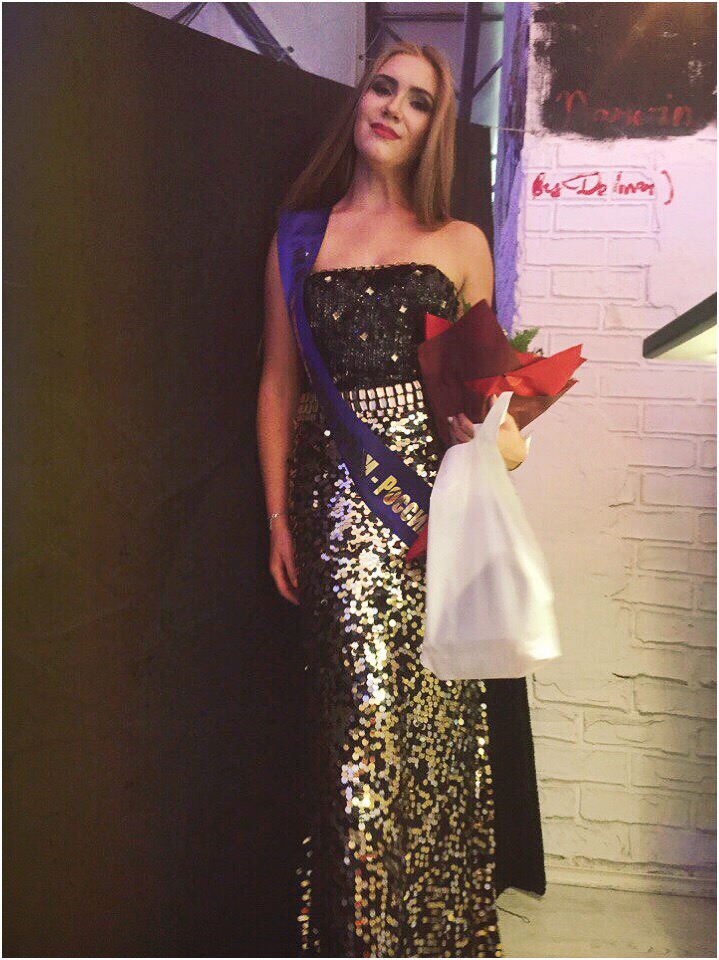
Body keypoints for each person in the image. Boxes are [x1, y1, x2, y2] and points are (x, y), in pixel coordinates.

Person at [257, 40, 533, 958]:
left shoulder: (459, 243)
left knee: (436, 731)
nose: (392, 108)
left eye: (417, 101)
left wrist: (487, 431)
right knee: (361, 733)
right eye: (383, 87)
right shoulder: (300, 237)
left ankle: (434, 936)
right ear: (359, 98)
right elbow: (277, 384)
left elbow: (489, 402)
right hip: (340, 509)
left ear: (432, 130)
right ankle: (359, 940)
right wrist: (276, 517)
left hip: (434, 511)